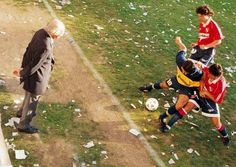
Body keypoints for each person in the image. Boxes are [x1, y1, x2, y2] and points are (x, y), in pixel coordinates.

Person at [13, 19, 65, 133]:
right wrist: (22, 72)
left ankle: (21, 112)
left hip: (31, 75)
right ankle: (24, 124)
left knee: (28, 96)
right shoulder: (45, 46)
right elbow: (35, 65)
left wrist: (23, 69)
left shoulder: (40, 32)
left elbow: (29, 51)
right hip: (38, 77)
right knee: (32, 100)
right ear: (54, 34)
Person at [139, 37, 203, 130]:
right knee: (163, 85)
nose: (184, 72)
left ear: (192, 71)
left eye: (186, 72)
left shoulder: (198, 74)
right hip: (177, 80)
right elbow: (183, 49)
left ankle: (163, 116)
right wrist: (179, 42)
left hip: (187, 87)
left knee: (179, 106)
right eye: (183, 70)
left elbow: (204, 79)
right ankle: (148, 88)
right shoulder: (180, 60)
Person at [162, 64, 230, 146]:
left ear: (218, 76)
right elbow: (202, 79)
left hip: (210, 100)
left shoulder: (221, 84)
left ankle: (225, 136)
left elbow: (217, 100)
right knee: (186, 108)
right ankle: (168, 125)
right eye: (209, 74)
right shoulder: (208, 70)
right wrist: (201, 90)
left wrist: (206, 93)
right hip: (200, 94)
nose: (210, 77)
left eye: (212, 77)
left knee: (216, 124)